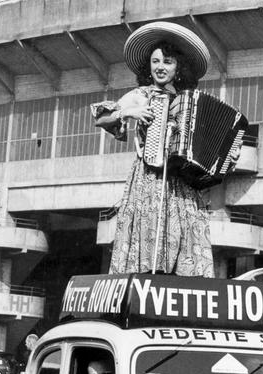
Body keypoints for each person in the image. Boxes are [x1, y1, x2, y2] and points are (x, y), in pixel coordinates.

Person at [91, 21, 214, 277]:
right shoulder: (141, 94)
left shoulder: (188, 100)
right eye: (156, 61)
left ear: (178, 66)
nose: (160, 67)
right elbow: (101, 117)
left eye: (167, 62)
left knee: (187, 229)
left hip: (180, 181)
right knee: (150, 231)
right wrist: (129, 111)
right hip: (150, 178)